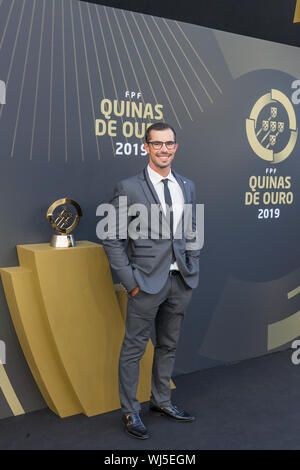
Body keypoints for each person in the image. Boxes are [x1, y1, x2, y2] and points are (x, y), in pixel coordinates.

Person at [102, 122, 200, 439]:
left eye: (169, 143)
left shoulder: (186, 185)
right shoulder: (127, 187)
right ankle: (131, 412)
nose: (163, 149)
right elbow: (112, 239)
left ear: (176, 146)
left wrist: (192, 265)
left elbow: (192, 231)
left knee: (168, 346)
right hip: (144, 283)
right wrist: (131, 281)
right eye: (156, 144)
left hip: (179, 281)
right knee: (133, 349)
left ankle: (162, 401)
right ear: (146, 147)